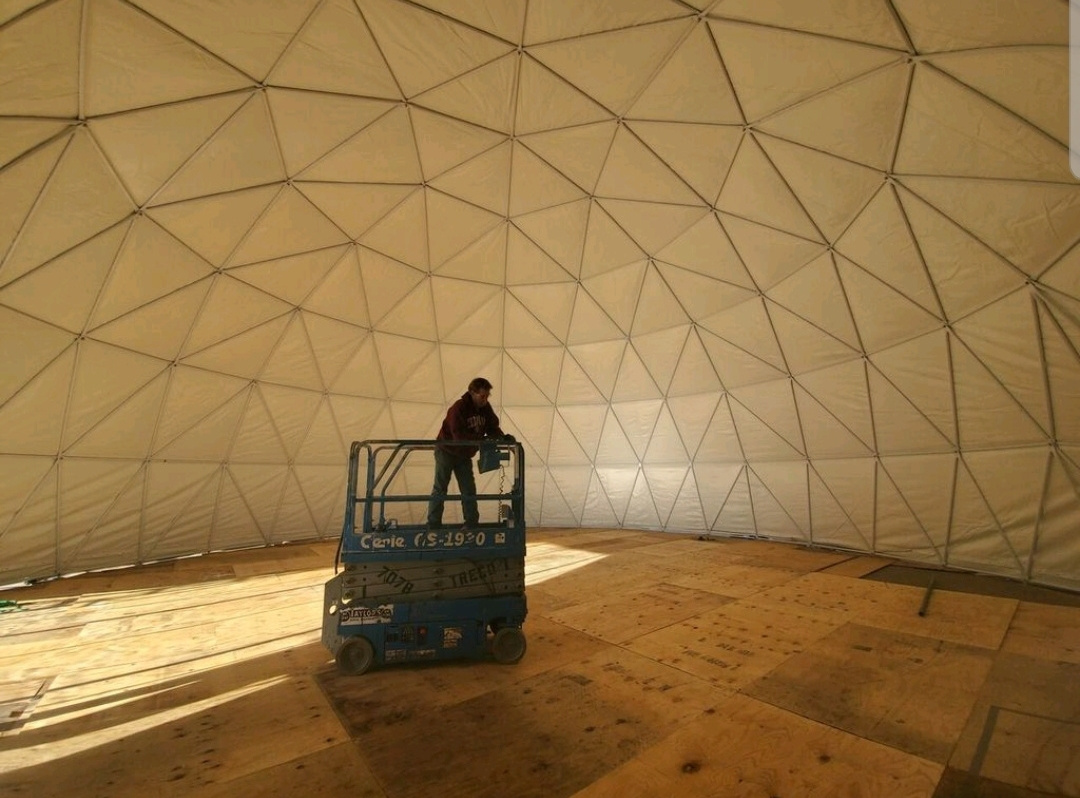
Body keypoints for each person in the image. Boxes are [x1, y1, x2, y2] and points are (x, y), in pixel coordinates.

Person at [427, 377, 514, 529]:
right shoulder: (458, 408)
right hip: (446, 451)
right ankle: (433, 525)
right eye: (482, 396)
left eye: (487, 396)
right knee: (440, 487)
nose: (485, 400)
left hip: (464, 454)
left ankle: (471, 523)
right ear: (472, 393)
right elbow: (458, 436)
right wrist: (482, 440)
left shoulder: (485, 409)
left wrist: (501, 437)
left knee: (468, 488)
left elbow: (492, 426)